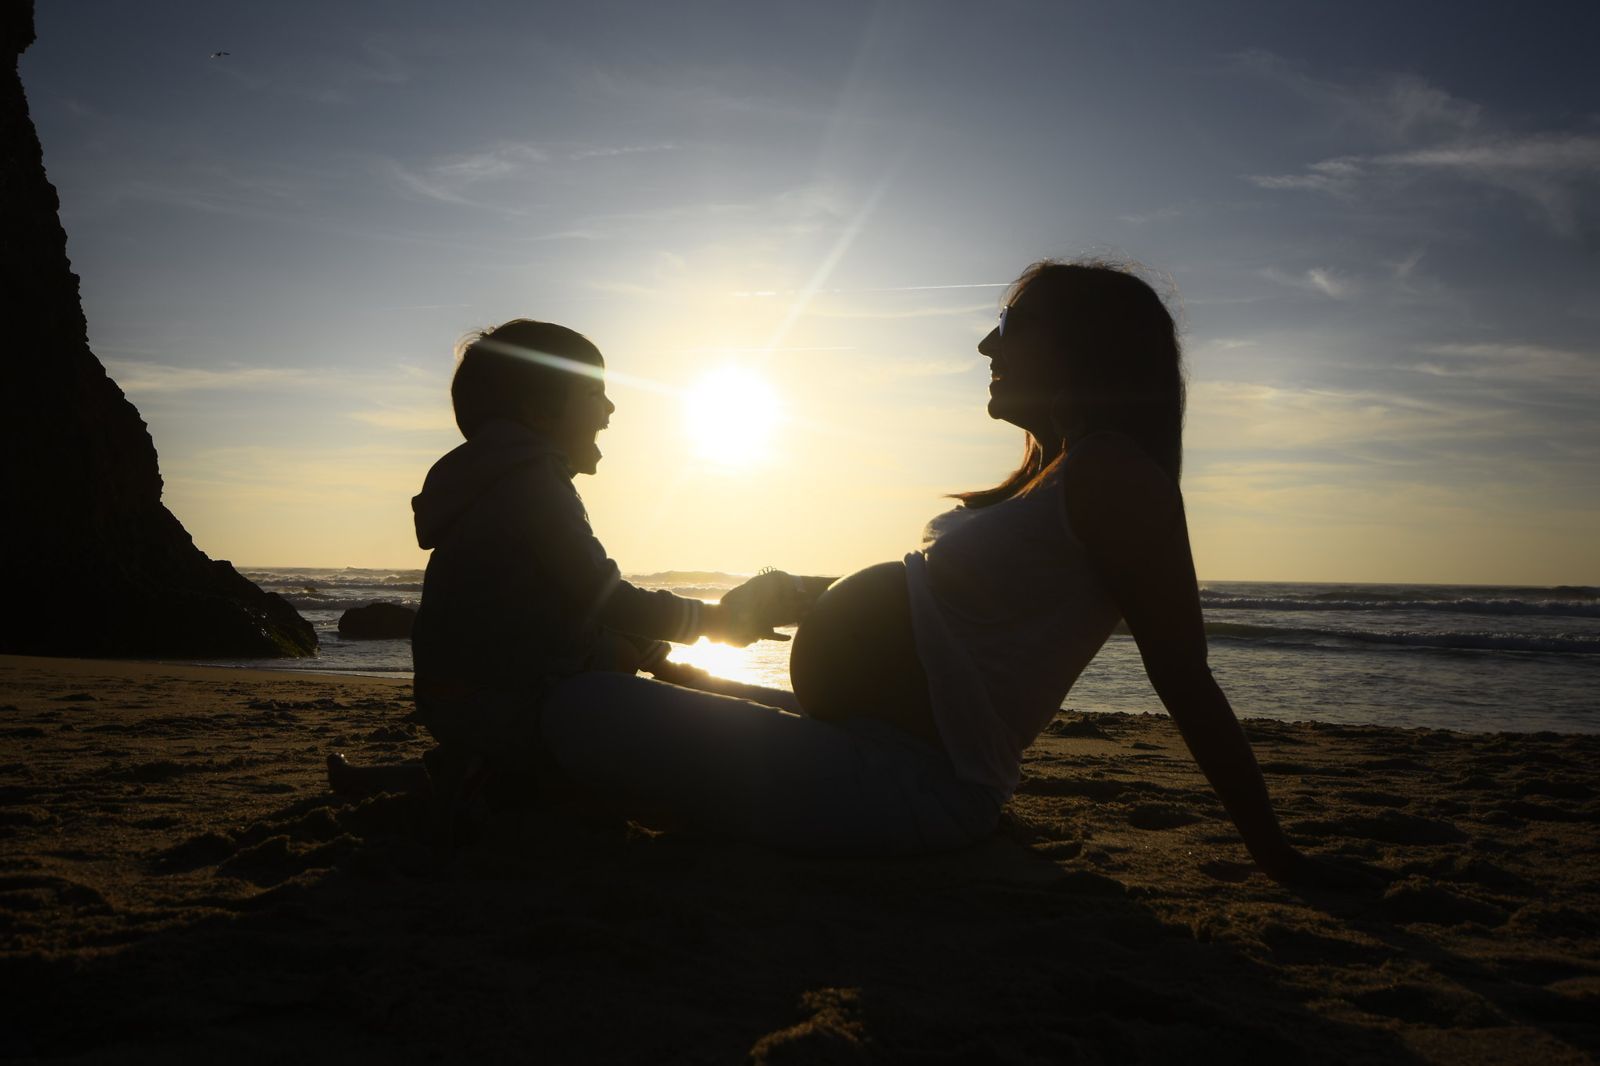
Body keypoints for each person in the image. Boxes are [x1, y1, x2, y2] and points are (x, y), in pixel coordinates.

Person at [527, 259, 1316, 881]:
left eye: (1008, 323)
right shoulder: (1060, 475)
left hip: (903, 784)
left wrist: (1276, 855)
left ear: (1082, 341)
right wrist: (799, 595)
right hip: (866, 749)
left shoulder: (1116, 477)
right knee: (643, 686)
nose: (986, 345)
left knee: (576, 705)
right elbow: (944, 611)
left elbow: (1183, 676)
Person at [326, 319, 807, 803]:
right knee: (649, 737)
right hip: (503, 703)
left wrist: (674, 662)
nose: (611, 408)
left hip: (455, 702)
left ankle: (464, 768)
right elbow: (610, 600)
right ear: (541, 412)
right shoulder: (532, 484)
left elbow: (574, 606)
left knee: (612, 649)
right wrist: (720, 620)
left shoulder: (492, 480)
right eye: (595, 393)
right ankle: (496, 775)